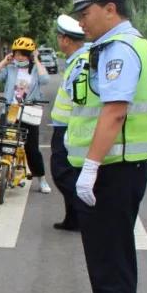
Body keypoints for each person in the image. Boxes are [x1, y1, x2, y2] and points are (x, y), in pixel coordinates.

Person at [65, 0, 147, 293]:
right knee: (102, 259)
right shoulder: (106, 47)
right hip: (110, 170)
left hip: (114, 172)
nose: (81, 23)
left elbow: (115, 112)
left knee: (113, 262)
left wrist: (90, 167)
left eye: (85, 15)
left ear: (109, 9)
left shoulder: (120, 50)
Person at [0, 36, 52, 194]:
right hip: (11, 110)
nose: (20, 57)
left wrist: (37, 59)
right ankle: (8, 167)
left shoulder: (36, 69)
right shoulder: (11, 68)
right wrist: (5, 61)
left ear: (29, 55)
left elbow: (45, 79)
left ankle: (42, 180)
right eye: (17, 53)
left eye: (24, 54)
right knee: (2, 139)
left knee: (32, 148)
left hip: (29, 111)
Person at [48, 15, 89, 231]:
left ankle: (84, 215)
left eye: (59, 37)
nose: (58, 40)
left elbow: (80, 99)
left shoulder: (80, 62)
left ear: (65, 39)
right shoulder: (77, 59)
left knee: (63, 174)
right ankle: (73, 218)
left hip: (69, 129)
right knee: (68, 174)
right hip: (66, 127)